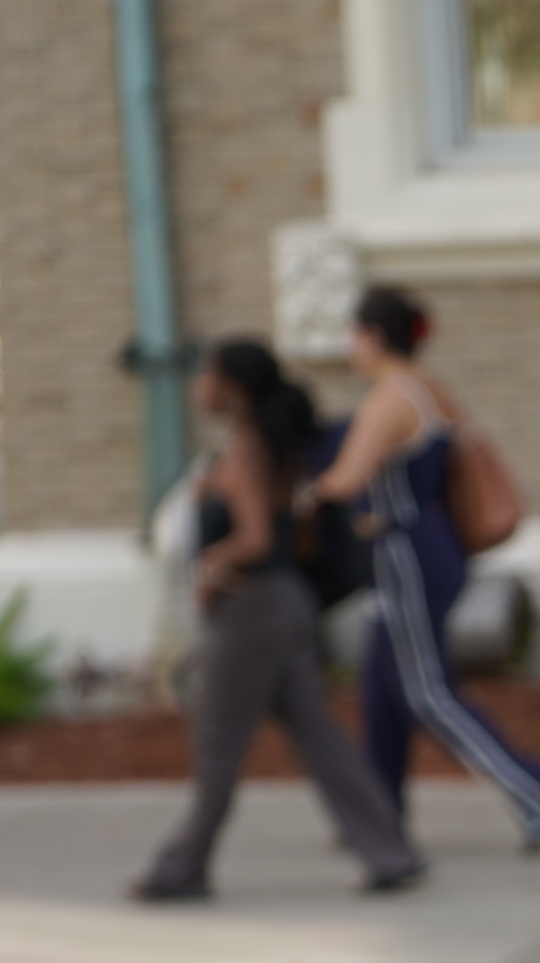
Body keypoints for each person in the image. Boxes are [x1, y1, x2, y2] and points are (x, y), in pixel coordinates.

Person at [132, 340, 425, 902]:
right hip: (287, 604)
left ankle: (182, 867)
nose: (198, 389)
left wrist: (210, 564)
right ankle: (390, 850)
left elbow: (256, 538)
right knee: (318, 734)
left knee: (218, 742)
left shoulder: (246, 451)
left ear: (233, 390)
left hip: (253, 610)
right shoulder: (267, 445)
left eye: (207, 375)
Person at [307, 286, 540, 852]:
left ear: (374, 337)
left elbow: (346, 480)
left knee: (425, 691)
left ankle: (533, 787)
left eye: (355, 335)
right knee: (381, 688)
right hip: (435, 546)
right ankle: (377, 816)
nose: (351, 347)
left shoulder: (389, 400)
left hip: (405, 554)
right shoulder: (432, 392)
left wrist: (296, 493)